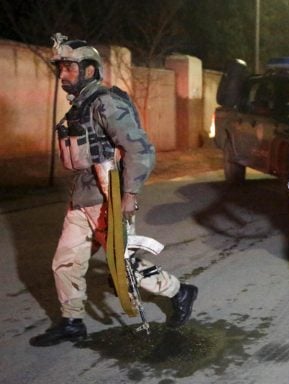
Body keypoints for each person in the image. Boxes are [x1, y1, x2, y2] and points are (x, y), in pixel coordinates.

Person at [29, 35, 198, 347]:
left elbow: (140, 148)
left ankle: (178, 291)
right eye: (61, 68)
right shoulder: (78, 108)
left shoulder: (105, 102)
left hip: (109, 197)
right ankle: (72, 322)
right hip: (81, 198)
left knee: (124, 266)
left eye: (69, 67)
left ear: (89, 71)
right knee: (65, 261)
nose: (62, 74)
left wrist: (130, 195)